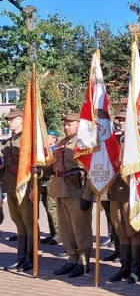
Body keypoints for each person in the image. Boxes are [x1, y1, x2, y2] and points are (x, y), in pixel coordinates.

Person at [47, 113, 95, 277]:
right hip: (61, 190)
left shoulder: (83, 143)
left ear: (79, 124)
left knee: (80, 227)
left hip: (77, 191)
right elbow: (54, 165)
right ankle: (72, 258)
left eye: (69, 124)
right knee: (65, 229)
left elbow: (91, 171)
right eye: (65, 124)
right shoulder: (61, 142)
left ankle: (84, 260)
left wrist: (88, 195)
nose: (66, 126)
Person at [107, 110, 140, 284]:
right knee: (120, 230)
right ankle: (125, 266)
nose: (121, 122)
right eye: (119, 120)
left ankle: (136, 269)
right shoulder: (115, 140)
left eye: (124, 120)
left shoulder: (138, 142)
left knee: (133, 230)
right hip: (116, 192)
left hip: (132, 192)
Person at [1, 109, 35, 272]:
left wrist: (34, 188)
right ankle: (21, 257)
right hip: (10, 186)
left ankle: (30, 258)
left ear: (22, 119)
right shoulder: (9, 141)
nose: (9, 122)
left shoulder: (28, 139)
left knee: (29, 222)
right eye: (8, 119)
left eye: (12, 119)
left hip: (24, 186)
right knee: (18, 222)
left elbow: (34, 166)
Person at [40, 129, 60, 246]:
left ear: (54, 139)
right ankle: (52, 233)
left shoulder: (55, 150)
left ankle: (58, 234)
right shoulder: (45, 150)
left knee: (52, 207)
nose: (46, 139)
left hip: (52, 181)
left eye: (48, 137)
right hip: (43, 181)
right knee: (47, 208)